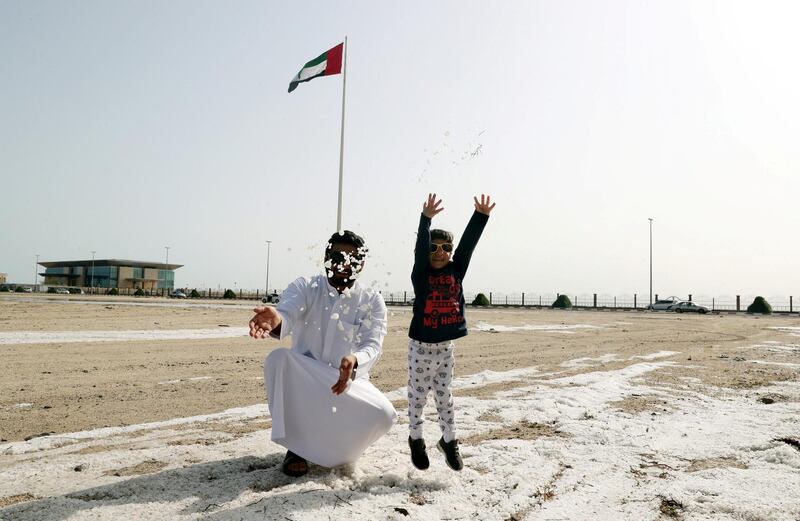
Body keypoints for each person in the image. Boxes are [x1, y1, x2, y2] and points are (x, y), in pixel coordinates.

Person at [249, 231, 396, 477]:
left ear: (363, 262)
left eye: (354, 258)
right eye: (338, 256)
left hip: (347, 383)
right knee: (278, 359)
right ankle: (296, 449)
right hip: (306, 380)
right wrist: (276, 319)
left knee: (385, 414)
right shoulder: (306, 286)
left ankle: (337, 452)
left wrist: (354, 359)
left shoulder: (371, 300)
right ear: (326, 256)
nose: (345, 264)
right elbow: (287, 314)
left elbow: (373, 344)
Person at [406, 193, 495, 471]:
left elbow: (467, 246)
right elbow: (421, 250)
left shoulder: (457, 270)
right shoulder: (421, 275)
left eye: (446, 247)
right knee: (418, 397)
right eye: (435, 247)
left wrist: (480, 217)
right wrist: (425, 221)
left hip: (445, 349)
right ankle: (416, 438)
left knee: (445, 397)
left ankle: (450, 441)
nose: (440, 252)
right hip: (420, 348)